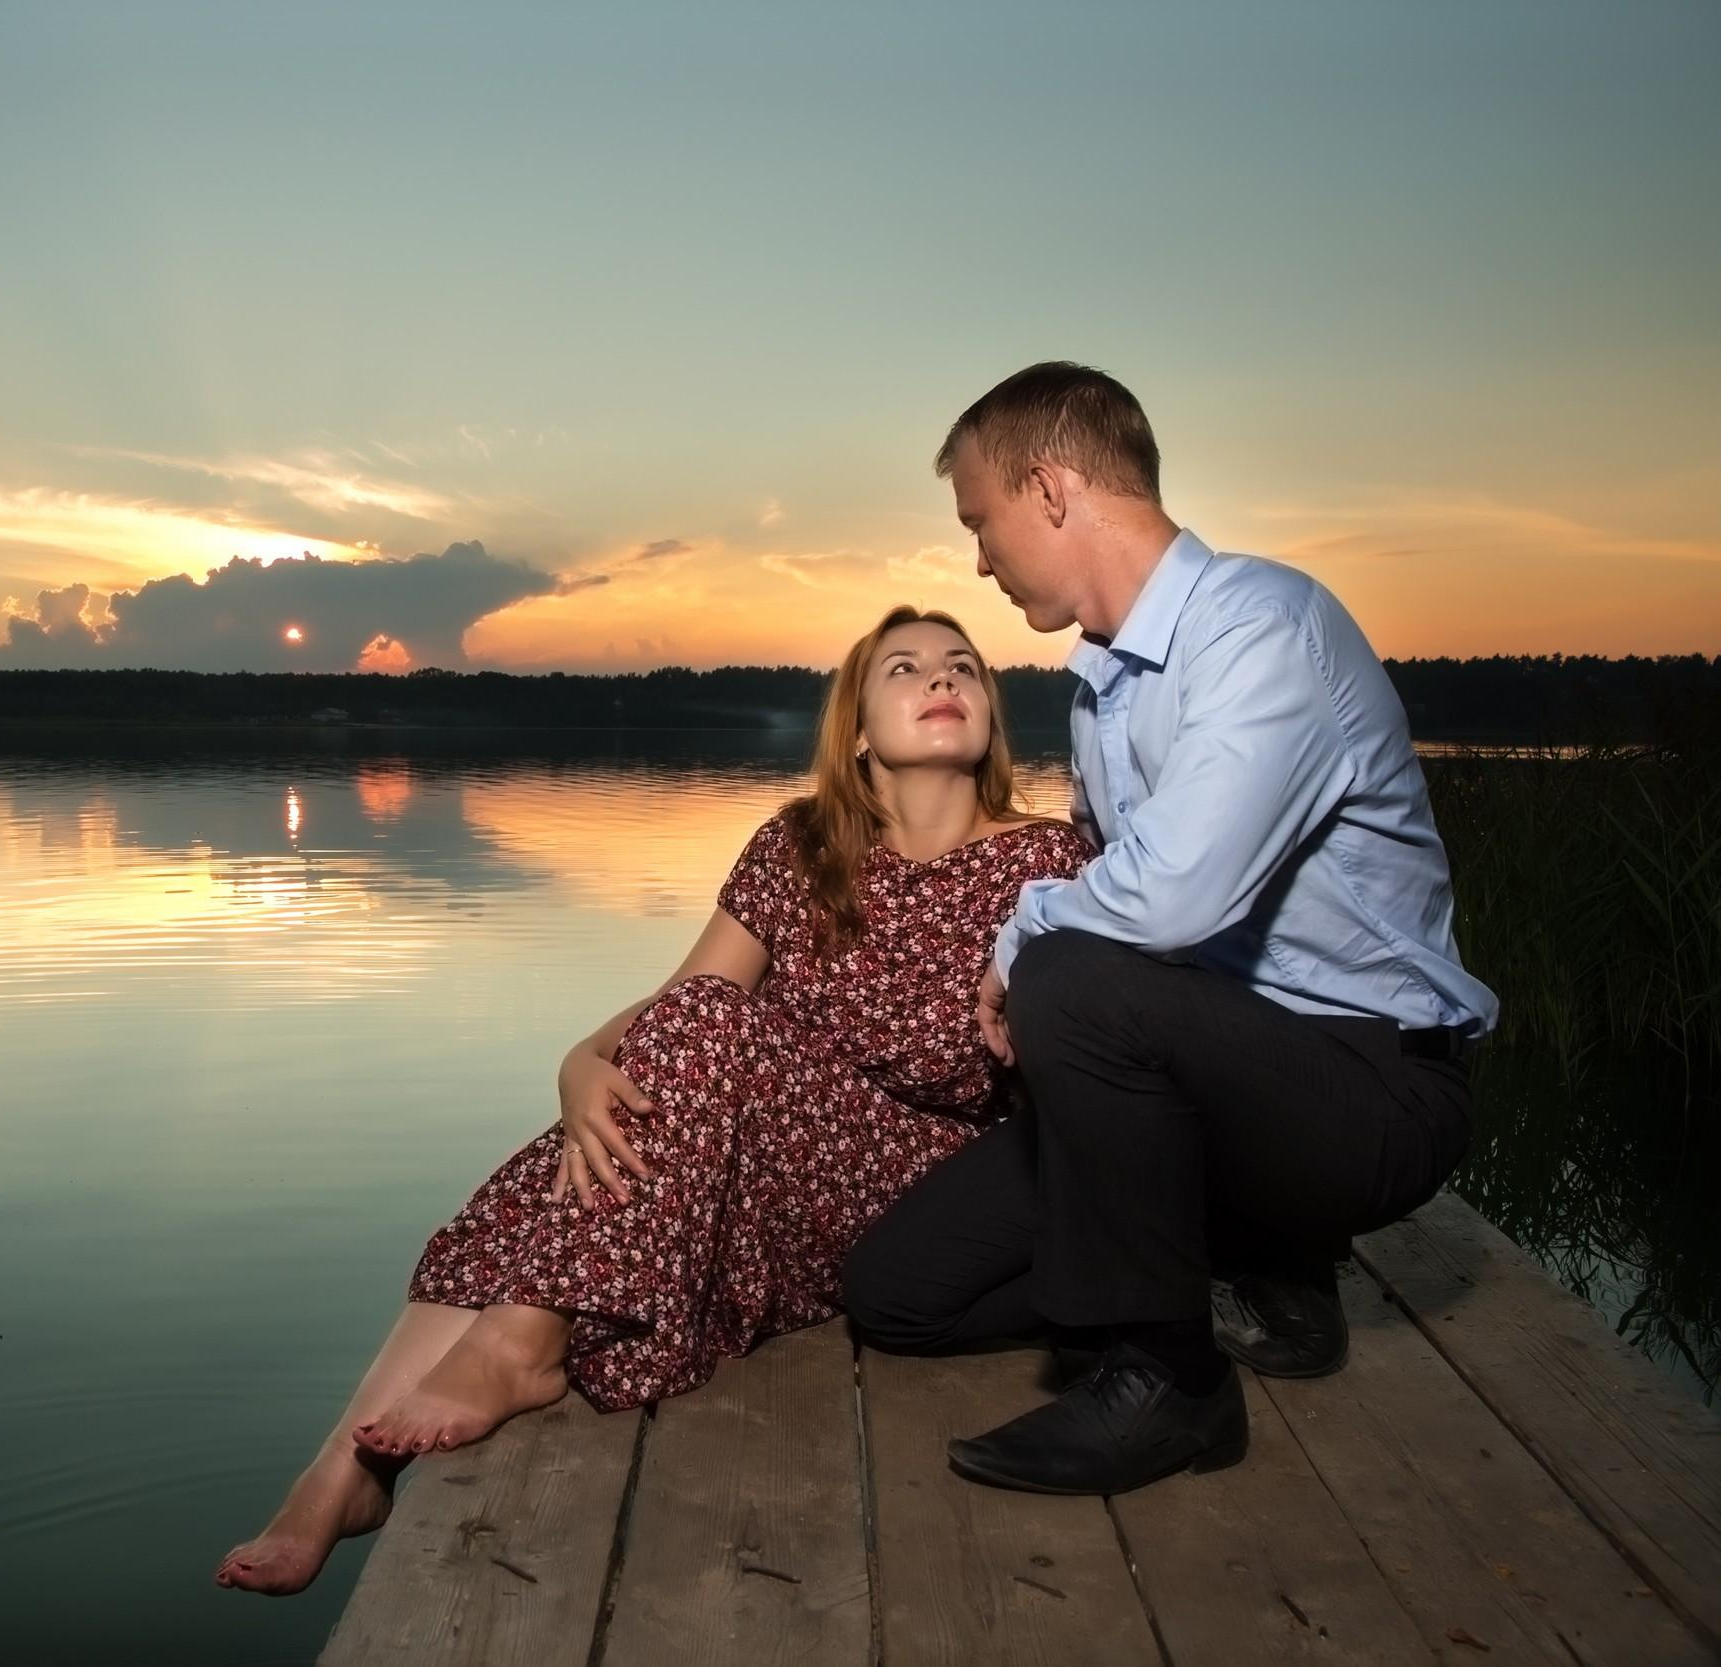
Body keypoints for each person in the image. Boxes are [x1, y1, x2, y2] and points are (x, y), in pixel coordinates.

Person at [216, 606, 1089, 1594]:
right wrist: (582, 1057)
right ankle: (343, 1467)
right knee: (586, 1132)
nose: (941, 678)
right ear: (855, 728)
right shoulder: (801, 844)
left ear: (990, 711)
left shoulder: (1048, 862)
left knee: (694, 1037)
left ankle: (511, 1345)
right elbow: (691, 990)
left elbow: (1069, 1053)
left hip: (919, 1186)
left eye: (962, 665)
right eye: (905, 667)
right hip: (774, 1165)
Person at [842, 362, 1499, 1496]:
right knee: (896, 1291)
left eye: (979, 520)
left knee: (1065, 972)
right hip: (1214, 1080)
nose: (979, 559)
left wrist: (1016, 937)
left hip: (1367, 1089)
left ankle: (1167, 1377)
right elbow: (1122, 886)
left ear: (1047, 489)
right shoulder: (1103, 683)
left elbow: (1169, 894)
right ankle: (1239, 1268)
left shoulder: (1263, 626)